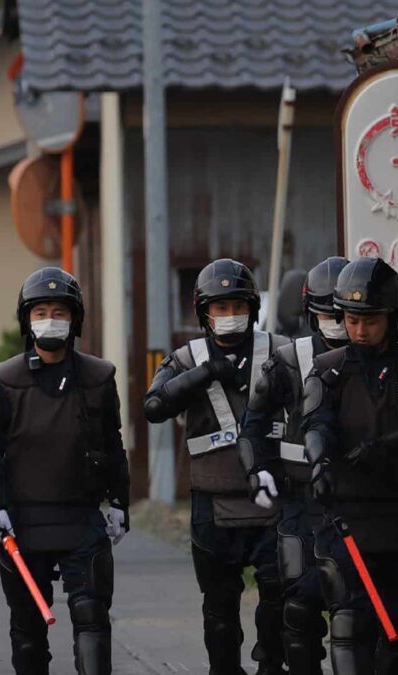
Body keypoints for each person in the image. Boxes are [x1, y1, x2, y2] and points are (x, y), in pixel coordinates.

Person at [301, 257, 398, 675]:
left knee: (397, 635)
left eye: (370, 320)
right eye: (352, 320)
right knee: (350, 625)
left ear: (393, 317)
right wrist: (319, 465)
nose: (360, 330)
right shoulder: (327, 371)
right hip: (346, 523)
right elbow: (316, 424)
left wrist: (385, 446)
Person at [0, 266, 129, 675]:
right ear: (26, 320)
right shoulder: (5, 381)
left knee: (92, 617)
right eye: (40, 312)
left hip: (81, 519)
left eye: (59, 312)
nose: (50, 321)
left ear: (75, 319)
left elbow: (112, 444)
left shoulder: (98, 377)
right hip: (23, 523)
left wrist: (120, 502)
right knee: (27, 630)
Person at [144, 258, 290, 675]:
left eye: (237, 306)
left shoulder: (280, 350)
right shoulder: (186, 358)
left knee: (281, 599)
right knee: (220, 609)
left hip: (274, 497)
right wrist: (204, 373)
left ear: (252, 308)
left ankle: (271, 666)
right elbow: (154, 406)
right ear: (204, 313)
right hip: (213, 502)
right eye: (220, 308)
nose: (229, 315)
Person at [240, 256, 350, 675]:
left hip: (362, 500)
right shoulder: (289, 361)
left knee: (355, 609)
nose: (338, 324)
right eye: (327, 314)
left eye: (344, 314)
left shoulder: (381, 359)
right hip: (301, 501)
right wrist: (258, 469)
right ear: (309, 312)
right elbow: (253, 425)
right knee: (299, 604)